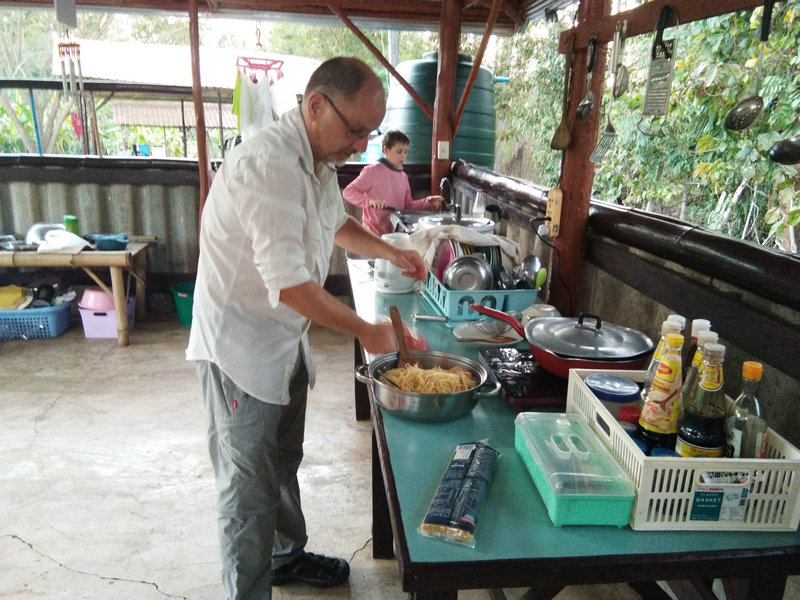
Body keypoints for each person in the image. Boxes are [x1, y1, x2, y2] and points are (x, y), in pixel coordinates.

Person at [185, 57, 428, 600]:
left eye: (369, 134)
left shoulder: (317, 161)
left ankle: (285, 558)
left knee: (282, 460)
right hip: (240, 350)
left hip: (284, 339)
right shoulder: (269, 165)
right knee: (247, 490)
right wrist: (367, 331)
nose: (361, 146)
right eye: (355, 130)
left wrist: (391, 251)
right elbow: (292, 285)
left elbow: (337, 223)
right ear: (316, 105)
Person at [343, 129, 443, 236]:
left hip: (395, 234)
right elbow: (348, 192)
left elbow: (407, 206)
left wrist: (428, 201)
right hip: (372, 234)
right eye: (399, 151)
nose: (403, 156)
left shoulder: (403, 177)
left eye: (405, 152)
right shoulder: (372, 171)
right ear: (386, 150)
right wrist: (370, 202)